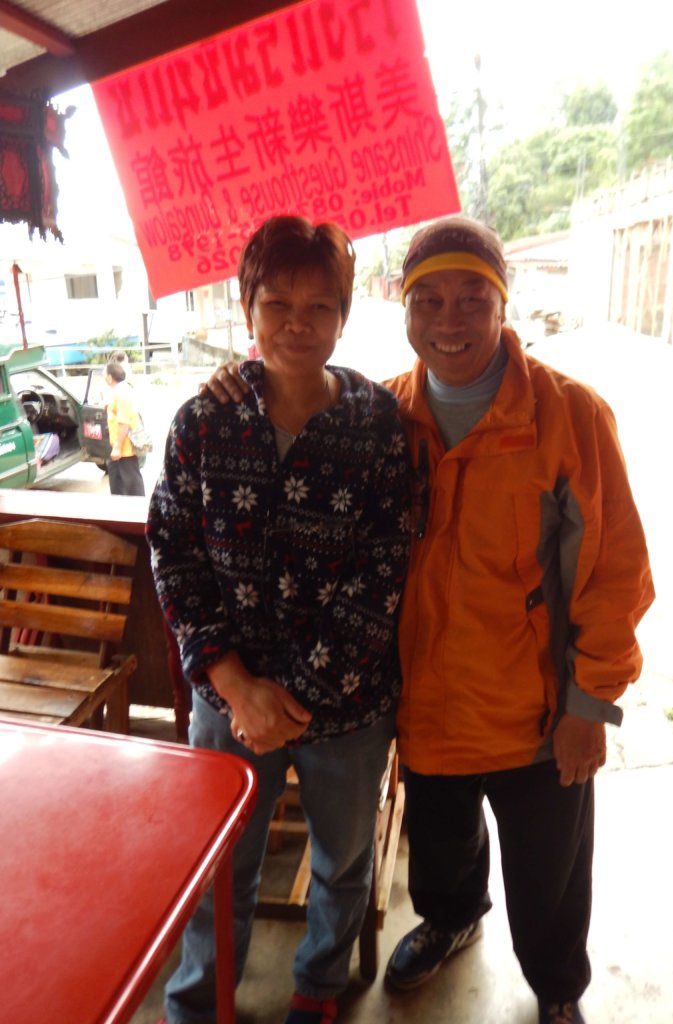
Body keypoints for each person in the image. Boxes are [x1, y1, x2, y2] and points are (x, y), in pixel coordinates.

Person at [205, 215, 655, 1024]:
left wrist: (591, 706)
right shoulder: (384, 415)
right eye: (429, 300)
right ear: (402, 309)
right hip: (430, 710)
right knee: (443, 858)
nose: (450, 322)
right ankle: (450, 923)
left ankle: (557, 989)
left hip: (537, 713)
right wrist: (230, 381)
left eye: (471, 300)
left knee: (549, 873)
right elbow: (290, 393)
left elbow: (616, 574)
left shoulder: (569, 417)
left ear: (503, 307)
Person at [146, 215, 411, 1024]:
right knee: (218, 862)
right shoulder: (203, 422)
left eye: (320, 306)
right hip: (228, 701)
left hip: (346, 707)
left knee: (340, 860)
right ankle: (201, 998)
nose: (297, 323)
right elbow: (174, 554)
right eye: (277, 303)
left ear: (345, 311)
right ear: (245, 305)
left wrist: (288, 700)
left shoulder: (377, 429)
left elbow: (384, 572)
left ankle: (318, 988)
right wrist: (235, 686)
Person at [104, 357, 145, 495]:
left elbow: (124, 422)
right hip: (121, 448)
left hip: (124, 448)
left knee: (130, 485)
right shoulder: (122, 390)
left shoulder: (121, 392)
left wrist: (117, 447)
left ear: (110, 378)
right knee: (118, 483)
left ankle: (135, 513)